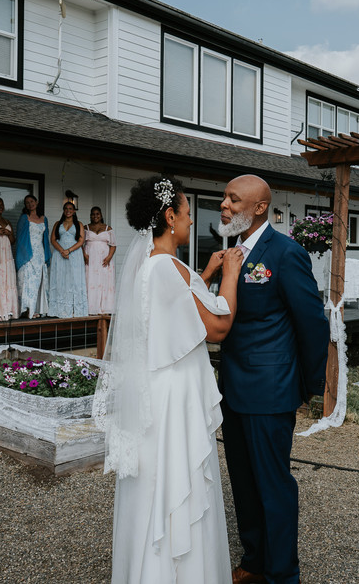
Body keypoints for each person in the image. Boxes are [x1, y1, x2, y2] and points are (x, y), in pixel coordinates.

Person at [92, 175, 243, 584]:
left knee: (155, 488)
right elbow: (214, 327)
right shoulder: (168, 268)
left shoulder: (149, 266)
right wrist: (229, 270)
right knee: (178, 488)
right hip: (174, 396)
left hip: (157, 392)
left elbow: (176, 313)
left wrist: (205, 274)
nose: (192, 221)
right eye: (189, 213)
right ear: (170, 215)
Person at [215, 174, 330, 584]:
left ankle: (283, 575)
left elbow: (313, 326)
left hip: (271, 392)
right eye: (224, 198)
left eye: (233, 199)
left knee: (274, 487)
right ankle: (254, 561)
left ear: (259, 207)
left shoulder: (285, 253)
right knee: (243, 485)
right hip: (231, 388)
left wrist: (307, 388)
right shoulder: (230, 253)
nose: (224, 205)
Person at [49, 201, 88, 318]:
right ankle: (59, 309)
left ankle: (74, 309)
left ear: (74, 211)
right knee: (60, 279)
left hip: (74, 254)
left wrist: (68, 250)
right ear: (63, 210)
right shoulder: (57, 223)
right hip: (59, 255)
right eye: (66, 208)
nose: (68, 210)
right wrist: (62, 250)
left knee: (74, 280)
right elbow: (53, 240)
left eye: (70, 208)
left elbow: (81, 241)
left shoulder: (79, 224)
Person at [15, 194, 51, 318]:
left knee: (38, 282)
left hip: (40, 253)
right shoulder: (24, 218)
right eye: (27, 203)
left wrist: (46, 255)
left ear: (36, 202)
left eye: (31, 201)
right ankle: (27, 309)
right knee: (27, 281)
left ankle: (36, 309)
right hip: (28, 253)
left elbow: (45, 238)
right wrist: (25, 255)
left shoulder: (43, 219)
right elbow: (20, 239)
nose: (30, 204)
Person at [83, 206, 117, 314]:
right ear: (90, 216)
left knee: (104, 281)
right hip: (90, 258)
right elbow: (80, 244)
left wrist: (109, 257)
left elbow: (113, 245)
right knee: (90, 280)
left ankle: (104, 307)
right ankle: (91, 307)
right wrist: (84, 255)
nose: (95, 216)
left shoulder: (108, 228)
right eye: (93, 214)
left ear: (101, 215)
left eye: (97, 214)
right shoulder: (85, 228)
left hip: (104, 259)